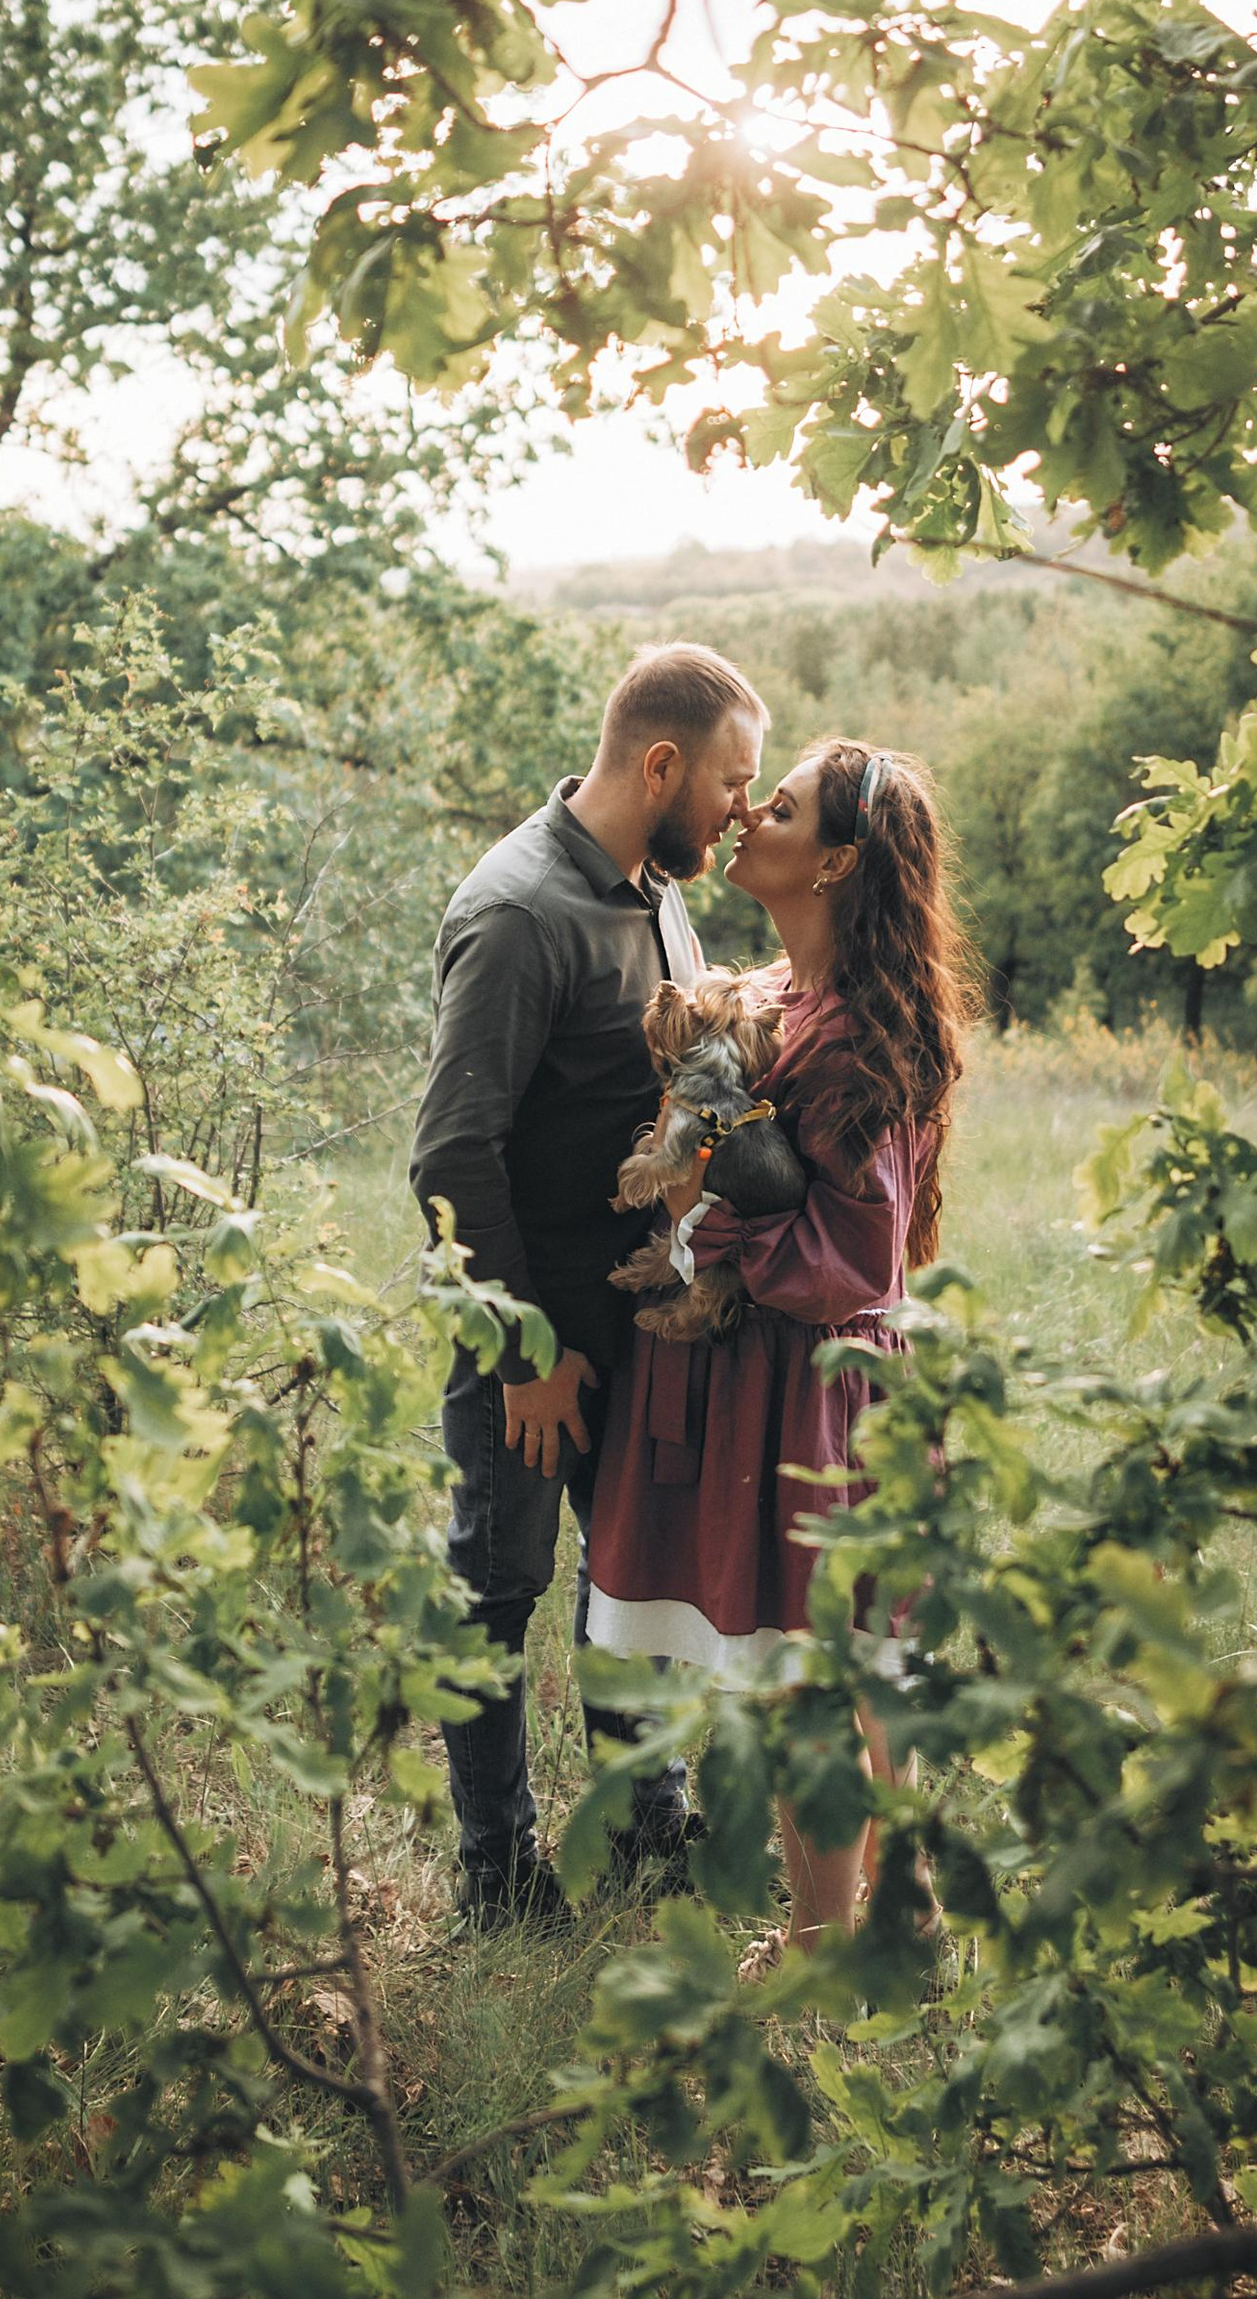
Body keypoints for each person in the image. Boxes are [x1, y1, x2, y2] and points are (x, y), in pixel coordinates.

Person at [582, 739, 975, 1951]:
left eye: (785, 804)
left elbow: (857, 1255)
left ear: (839, 860)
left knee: (818, 1675)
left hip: (814, 1388)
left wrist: (710, 1230)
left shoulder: (865, 1034)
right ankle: (889, 1910)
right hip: (773, 1378)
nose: (750, 811)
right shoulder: (769, 997)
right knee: (844, 1666)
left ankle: (822, 1943)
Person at [411, 642, 769, 1926]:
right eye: (734, 781)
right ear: (659, 762)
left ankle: (643, 1823)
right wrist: (527, 1354)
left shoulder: (654, 891)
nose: (742, 811)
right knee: (494, 1589)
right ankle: (496, 1879)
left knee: (632, 1576)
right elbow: (452, 1151)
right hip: (528, 1331)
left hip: (637, 1323)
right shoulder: (518, 910)